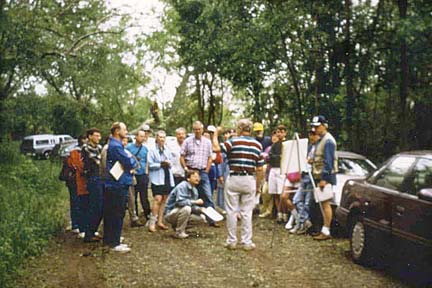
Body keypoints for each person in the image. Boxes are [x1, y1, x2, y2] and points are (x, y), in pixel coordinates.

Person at [212, 119, 264, 251]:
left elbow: (216, 148)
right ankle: (247, 242)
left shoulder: (233, 142)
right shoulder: (257, 145)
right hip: (249, 179)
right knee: (247, 212)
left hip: (234, 178)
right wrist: (258, 186)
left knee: (231, 211)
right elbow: (259, 169)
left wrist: (215, 134)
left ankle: (232, 241)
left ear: (240, 129)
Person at [104, 122, 137, 253]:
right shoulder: (116, 146)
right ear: (117, 131)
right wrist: (132, 160)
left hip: (115, 183)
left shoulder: (113, 144)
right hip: (118, 184)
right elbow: (129, 162)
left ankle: (111, 238)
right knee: (117, 212)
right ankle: (115, 242)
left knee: (112, 212)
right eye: (124, 129)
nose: (127, 131)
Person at [180, 121, 218, 227]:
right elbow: (182, 156)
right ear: (193, 130)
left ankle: (212, 219)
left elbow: (210, 157)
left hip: (203, 171)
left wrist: (207, 170)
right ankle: (187, 219)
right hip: (191, 171)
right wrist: (186, 168)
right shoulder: (187, 141)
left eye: (199, 129)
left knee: (207, 195)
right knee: (188, 195)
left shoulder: (207, 142)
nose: (197, 131)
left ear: (202, 130)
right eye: (195, 129)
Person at [310, 115, 338, 241]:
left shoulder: (328, 140)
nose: (315, 129)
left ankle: (326, 231)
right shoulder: (321, 140)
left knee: (326, 204)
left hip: (325, 177)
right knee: (322, 203)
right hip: (319, 175)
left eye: (317, 126)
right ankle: (323, 229)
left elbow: (329, 161)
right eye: (314, 127)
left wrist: (324, 179)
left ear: (324, 125)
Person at [289, 130, 320, 234]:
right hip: (304, 175)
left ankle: (301, 224)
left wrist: (313, 160)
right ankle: (305, 221)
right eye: (310, 135)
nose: (312, 137)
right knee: (296, 200)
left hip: (312, 177)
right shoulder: (309, 147)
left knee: (307, 203)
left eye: (314, 135)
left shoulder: (320, 148)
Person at [164, 169, 204, 239]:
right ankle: (179, 232)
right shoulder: (182, 186)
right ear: (188, 178)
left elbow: (193, 206)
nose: (197, 178)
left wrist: (201, 210)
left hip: (180, 211)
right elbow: (180, 202)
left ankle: (182, 229)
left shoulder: (195, 190)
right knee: (187, 209)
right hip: (171, 212)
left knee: (201, 218)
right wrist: (195, 202)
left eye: (198, 177)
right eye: (194, 176)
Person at [148, 130, 175, 232]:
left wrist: (168, 163)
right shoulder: (152, 150)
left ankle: (160, 221)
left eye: (164, 137)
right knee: (157, 199)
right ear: (156, 138)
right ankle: (152, 222)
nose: (162, 139)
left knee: (164, 199)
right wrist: (160, 164)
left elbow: (171, 162)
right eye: (160, 137)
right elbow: (150, 164)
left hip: (167, 176)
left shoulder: (167, 150)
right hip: (157, 177)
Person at [82, 128, 104, 243]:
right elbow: (97, 161)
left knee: (101, 207)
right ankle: (88, 233)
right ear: (90, 136)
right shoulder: (86, 148)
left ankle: (93, 230)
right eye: (96, 135)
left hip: (100, 177)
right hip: (92, 178)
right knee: (95, 205)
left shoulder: (100, 148)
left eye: (99, 136)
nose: (98, 138)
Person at [126, 129, 150, 225]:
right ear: (136, 137)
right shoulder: (129, 147)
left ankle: (147, 214)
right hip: (133, 175)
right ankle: (134, 217)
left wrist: (146, 171)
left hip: (143, 175)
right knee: (133, 197)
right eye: (140, 136)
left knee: (144, 196)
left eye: (144, 136)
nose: (142, 138)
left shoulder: (145, 149)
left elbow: (147, 161)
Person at [67, 135, 88, 239]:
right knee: (76, 203)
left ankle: (79, 224)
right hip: (75, 182)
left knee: (79, 203)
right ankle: (77, 225)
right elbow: (78, 166)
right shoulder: (75, 152)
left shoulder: (80, 151)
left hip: (81, 182)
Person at [267, 124, 287, 223]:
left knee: (281, 193)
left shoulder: (287, 144)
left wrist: (276, 157)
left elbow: (283, 157)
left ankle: (284, 213)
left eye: (281, 131)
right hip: (273, 168)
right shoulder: (274, 144)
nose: (279, 133)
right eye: (278, 131)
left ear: (285, 133)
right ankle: (279, 213)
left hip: (281, 170)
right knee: (274, 193)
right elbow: (270, 156)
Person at [258, 130, 278, 218]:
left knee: (273, 193)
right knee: (265, 192)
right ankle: (267, 209)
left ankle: (272, 211)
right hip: (268, 173)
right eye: (273, 136)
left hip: (276, 172)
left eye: (276, 136)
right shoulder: (268, 148)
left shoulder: (281, 147)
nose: (274, 138)